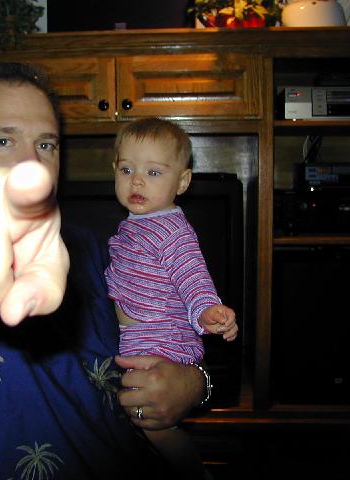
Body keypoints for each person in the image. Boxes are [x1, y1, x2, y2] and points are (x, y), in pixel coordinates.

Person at [0, 62, 236, 479]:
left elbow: (169, 331)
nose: (32, 164)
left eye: (46, 145)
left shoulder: (96, 249)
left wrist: (194, 383)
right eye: (3, 140)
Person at [105, 117, 238, 477]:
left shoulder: (172, 231)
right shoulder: (137, 223)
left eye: (153, 172)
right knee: (141, 426)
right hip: (142, 340)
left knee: (154, 427)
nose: (136, 181)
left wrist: (206, 310)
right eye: (127, 169)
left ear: (182, 182)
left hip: (162, 342)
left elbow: (192, 276)